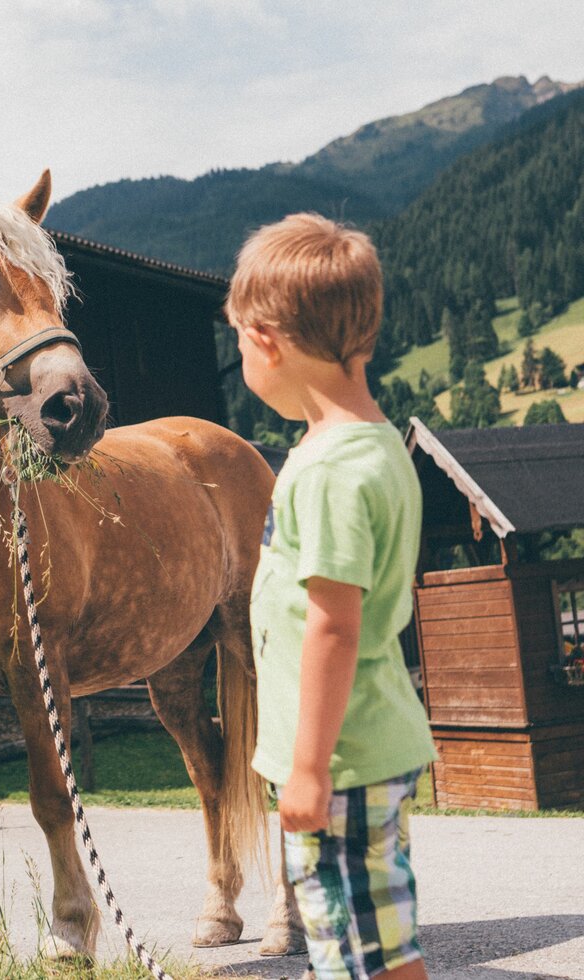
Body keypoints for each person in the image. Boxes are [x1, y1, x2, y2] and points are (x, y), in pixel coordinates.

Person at [225, 213, 438, 980]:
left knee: (366, 956)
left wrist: (308, 767)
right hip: (368, 743)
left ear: (267, 340)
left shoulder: (324, 471)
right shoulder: (377, 446)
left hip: (340, 762)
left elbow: (333, 628)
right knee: (361, 942)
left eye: (238, 341)